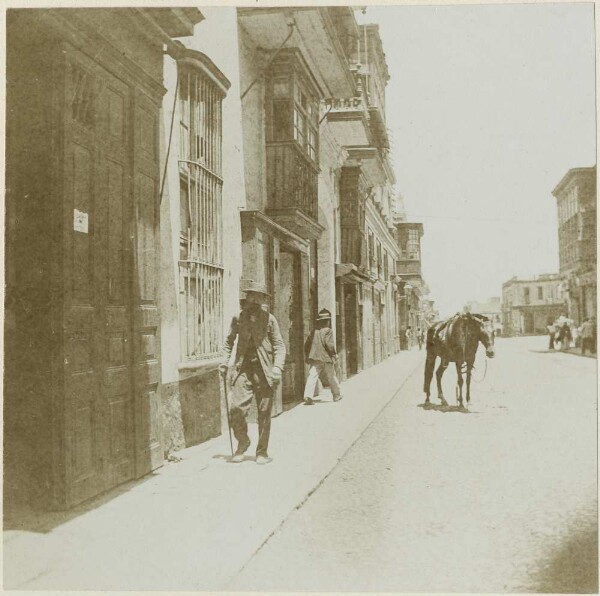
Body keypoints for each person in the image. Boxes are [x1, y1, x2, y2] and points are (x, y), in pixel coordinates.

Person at [220, 280, 286, 465]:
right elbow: (228, 342)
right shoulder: (238, 318)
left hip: (265, 371)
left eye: (259, 297)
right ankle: (243, 442)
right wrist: (225, 361)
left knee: (264, 413)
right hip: (243, 370)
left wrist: (277, 367)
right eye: (252, 296)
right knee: (236, 409)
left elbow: (280, 346)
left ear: (263, 300)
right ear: (247, 297)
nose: (255, 301)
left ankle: (262, 452)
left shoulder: (270, 319)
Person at [303, 309, 342, 405]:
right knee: (331, 376)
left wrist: (308, 355)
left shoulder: (314, 331)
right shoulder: (328, 331)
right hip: (326, 358)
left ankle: (308, 396)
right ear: (327, 321)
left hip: (315, 358)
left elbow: (307, 344)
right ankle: (336, 395)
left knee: (312, 376)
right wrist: (334, 354)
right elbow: (329, 344)